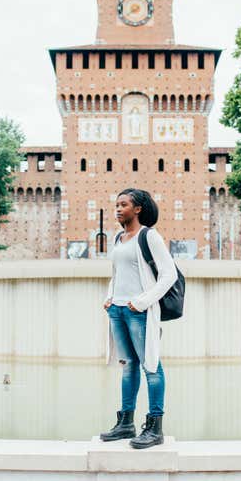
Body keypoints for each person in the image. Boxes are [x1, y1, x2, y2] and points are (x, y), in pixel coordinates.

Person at [99, 188, 177, 449]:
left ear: (138, 209)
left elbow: (169, 275)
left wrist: (142, 302)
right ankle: (126, 424)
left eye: (124, 205)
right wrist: (110, 297)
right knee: (128, 366)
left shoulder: (149, 236)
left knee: (151, 366)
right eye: (116, 205)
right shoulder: (118, 238)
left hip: (138, 312)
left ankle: (155, 428)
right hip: (117, 311)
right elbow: (117, 273)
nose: (118, 209)